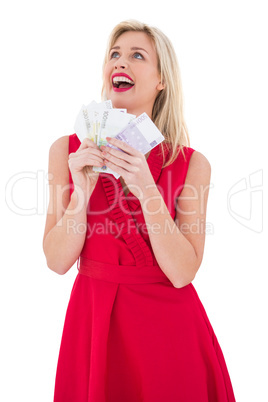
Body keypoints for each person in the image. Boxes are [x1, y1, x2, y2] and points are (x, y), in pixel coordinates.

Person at [43, 19, 236, 402]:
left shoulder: (191, 164)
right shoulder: (67, 151)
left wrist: (147, 187)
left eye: (137, 56)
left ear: (161, 80)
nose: (120, 63)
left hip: (170, 330)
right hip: (94, 320)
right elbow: (56, 261)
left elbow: (183, 273)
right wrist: (81, 192)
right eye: (114, 55)